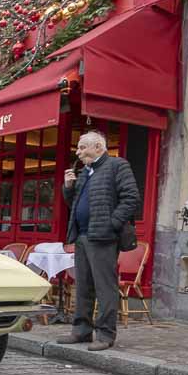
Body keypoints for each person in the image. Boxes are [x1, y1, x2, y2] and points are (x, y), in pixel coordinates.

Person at [58, 130, 140, 352]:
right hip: (82, 236)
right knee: (83, 286)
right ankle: (81, 331)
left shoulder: (117, 166)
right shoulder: (85, 172)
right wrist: (68, 187)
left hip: (103, 237)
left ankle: (105, 335)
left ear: (98, 147)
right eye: (78, 147)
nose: (78, 151)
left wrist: (111, 224)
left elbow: (131, 198)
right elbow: (74, 203)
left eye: (82, 147)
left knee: (105, 288)